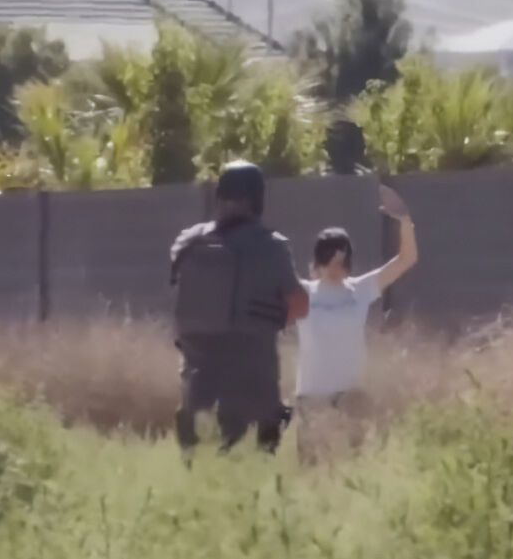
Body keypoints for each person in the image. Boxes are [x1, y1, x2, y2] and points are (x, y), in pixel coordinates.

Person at [170, 161, 308, 458]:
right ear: (258, 200)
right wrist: (275, 319)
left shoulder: (186, 243)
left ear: (219, 196)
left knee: (200, 450)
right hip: (252, 376)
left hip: (198, 379)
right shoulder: (271, 246)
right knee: (263, 434)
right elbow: (299, 304)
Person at [294, 185, 418, 464]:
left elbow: (406, 259)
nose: (335, 268)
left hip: (351, 396)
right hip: (311, 397)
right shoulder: (302, 292)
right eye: (328, 261)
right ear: (317, 261)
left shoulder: (361, 289)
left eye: (341, 261)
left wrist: (404, 219)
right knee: (311, 470)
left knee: (352, 467)